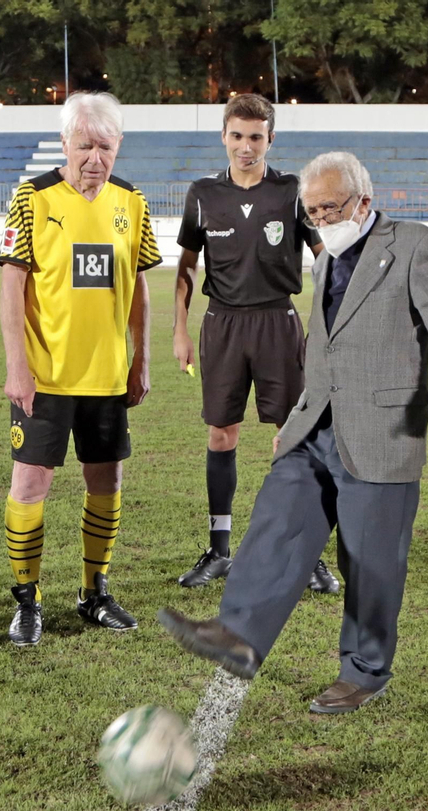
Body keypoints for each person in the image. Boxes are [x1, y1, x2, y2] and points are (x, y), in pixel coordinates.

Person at [158, 151, 428, 714]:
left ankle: (364, 671)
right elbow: (324, 351)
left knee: (370, 562)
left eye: (329, 208)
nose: (320, 220)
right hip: (315, 427)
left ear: (364, 201)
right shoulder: (326, 262)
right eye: (312, 212)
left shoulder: (413, 245)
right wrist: (294, 421)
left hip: (383, 430)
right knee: (276, 523)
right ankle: (238, 633)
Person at [0, 91, 161, 646]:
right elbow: (11, 287)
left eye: (105, 146)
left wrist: (142, 358)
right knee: (30, 483)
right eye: (84, 144)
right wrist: (17, 367)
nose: (94, 157)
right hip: (45, 377)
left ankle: (94, 590)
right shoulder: (32, 198)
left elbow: (139, 286)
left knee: (107, 479)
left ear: (119, 147)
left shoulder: (131, 202)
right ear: (65, 142)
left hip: (109, 376)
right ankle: (27, 600)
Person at [171, 94, 337, 594]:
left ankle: (304, 551)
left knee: (294, 437)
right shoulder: (202, 194)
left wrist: (329, 321)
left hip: (277, 323)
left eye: (256, 137)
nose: (246, 147)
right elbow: (185, 268)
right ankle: (219, 551)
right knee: (221, 434)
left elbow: (324, 255)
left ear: (270, 139)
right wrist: (180, 330)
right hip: (221, 325)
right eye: (238, 136)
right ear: (223, 135)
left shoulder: (291, 193)